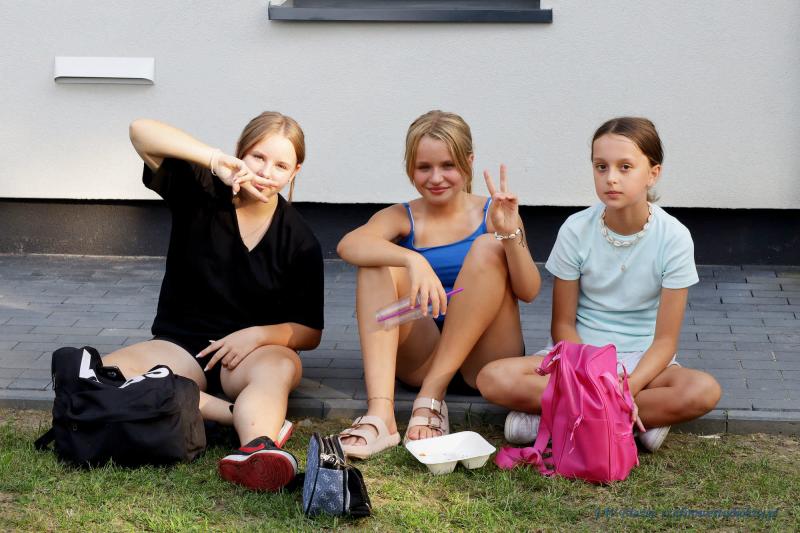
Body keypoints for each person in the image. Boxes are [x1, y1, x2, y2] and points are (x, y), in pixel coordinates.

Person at [102, 112, 324, 491]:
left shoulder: (300, 240)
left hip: (248, 356)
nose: (266, 172)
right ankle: (231, 414)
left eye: (281, 165)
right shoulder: (201, 190)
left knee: (281, 365)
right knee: (103, 374)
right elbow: (141, 131)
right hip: (180, 347)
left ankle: (256, 447)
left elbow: (310, 332)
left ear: (295, 172)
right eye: (257, 157)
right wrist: (213, 159)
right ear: (240, 153)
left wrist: (257, 336)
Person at [476, 117, 722, 452]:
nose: (611, 178)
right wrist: (590, 376)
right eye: (601, 167)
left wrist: (629, 385)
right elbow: (563, 325)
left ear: (653, 173)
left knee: (703, 391)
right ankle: (631, 421)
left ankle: (554, 416)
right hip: (578, 358)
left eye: (625, 167)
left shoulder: (674, 237)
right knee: (493, 378)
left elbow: (665, 341)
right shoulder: (575, 229)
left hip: (643, 362)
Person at [336, 110, 541, 458]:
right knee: (376, 264)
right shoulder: (402, 216)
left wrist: (510, 234)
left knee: (488, 246)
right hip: (424, 356)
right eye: (424, 167)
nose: (436, 178)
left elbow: (529, 290)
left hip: (485, 358)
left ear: (469, 162)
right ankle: (381, 415)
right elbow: (348, 245)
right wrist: (412, 260)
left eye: (448, 165)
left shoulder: (495, 212)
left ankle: (432, 397)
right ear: (410, 168)